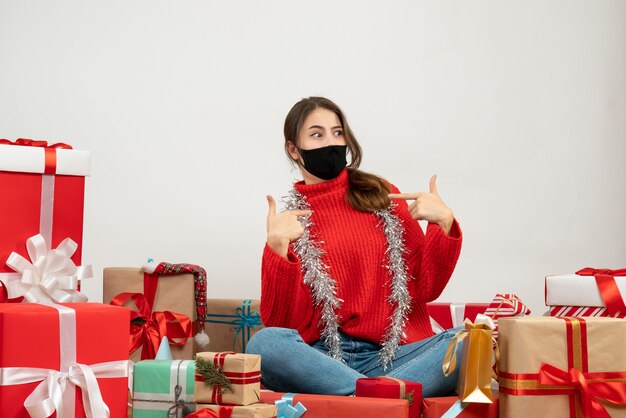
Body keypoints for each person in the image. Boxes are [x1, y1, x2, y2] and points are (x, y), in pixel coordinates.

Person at [246, 96, 463, 397]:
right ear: (293, 149)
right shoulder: (290, 224)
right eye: (317, 134)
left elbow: (427, 287)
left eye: (338, 132)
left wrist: (444, 224)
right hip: (322, 361)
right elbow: (282, 324)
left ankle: (361, 400)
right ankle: (378, 400)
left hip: (392, 356)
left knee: (468, 343)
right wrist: (277, 250)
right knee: (264, 343)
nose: (332, 142)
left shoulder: (383, 197)